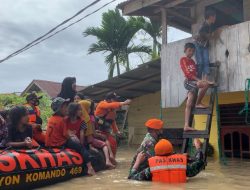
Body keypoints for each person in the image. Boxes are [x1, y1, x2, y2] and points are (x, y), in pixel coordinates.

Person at [45, 97, 95, 175]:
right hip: (59, 143)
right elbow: (65, 135)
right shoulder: (62, 120)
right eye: (65, 107)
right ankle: (89, 167)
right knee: (81, 147)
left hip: (49, 144)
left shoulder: (51, 118)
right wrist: (72, 138)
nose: (67, 109)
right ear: (60, 108)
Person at [130, 138, 205, 182]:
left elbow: (132, 178)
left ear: (156, 154)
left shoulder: (151, 170)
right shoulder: (183, 167)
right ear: (172, 152)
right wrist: (198, 148)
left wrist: (137, 162)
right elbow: (200, 162)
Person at [180, 42, 214, 131]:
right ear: (185, 50)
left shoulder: (192, 61)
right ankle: (198, 103)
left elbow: (195, 73)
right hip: (188, 82)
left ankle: (186, 125)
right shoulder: (183, 59)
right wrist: (199, 80)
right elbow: (188, 74)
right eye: (189, 50)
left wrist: (201, 79)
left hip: (193, 82)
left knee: (189, 102)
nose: (191, 52)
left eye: (193, 51)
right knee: (205, 84)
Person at [78, 100, 115, 168]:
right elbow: (91, 133)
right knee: (105, 143)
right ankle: (108, 159)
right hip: (90, 139)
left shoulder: (80, 118)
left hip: (86, 138)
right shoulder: (90, 118)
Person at [194, 9, 217, 80]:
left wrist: (212, 35)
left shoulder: (210, 26)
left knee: (206, 61)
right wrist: (211, 35)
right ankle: (199, 78)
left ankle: (205, 79)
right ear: (210, 17)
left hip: (205, 46)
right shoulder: (204, 25)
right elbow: (202, 34)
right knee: (200, 62)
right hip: (198, 45)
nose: (215, 18)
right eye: (214, 17)